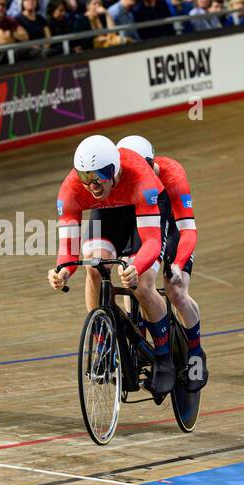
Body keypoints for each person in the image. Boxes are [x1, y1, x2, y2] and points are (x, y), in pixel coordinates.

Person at [48, 135, 178, 396]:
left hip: (143, 207)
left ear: (115, 170)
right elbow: (68, 249)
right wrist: (63, 270)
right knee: (94, 266)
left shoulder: (140, 178)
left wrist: (137, 266)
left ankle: (164, 359)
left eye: (99, 176)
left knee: (141, 285)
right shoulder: (73, 189)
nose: (92, 185)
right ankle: (104, 345)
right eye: (86, 176)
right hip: (109, 211)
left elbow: (151, 242)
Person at [116, 135, 207, 388]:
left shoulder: (172, 174)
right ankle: (140, 340)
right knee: (129, 271)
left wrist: (177, 264)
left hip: (175, 231)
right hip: (143, 222)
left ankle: (196, 354)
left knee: (175, 289)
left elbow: (187, 229)